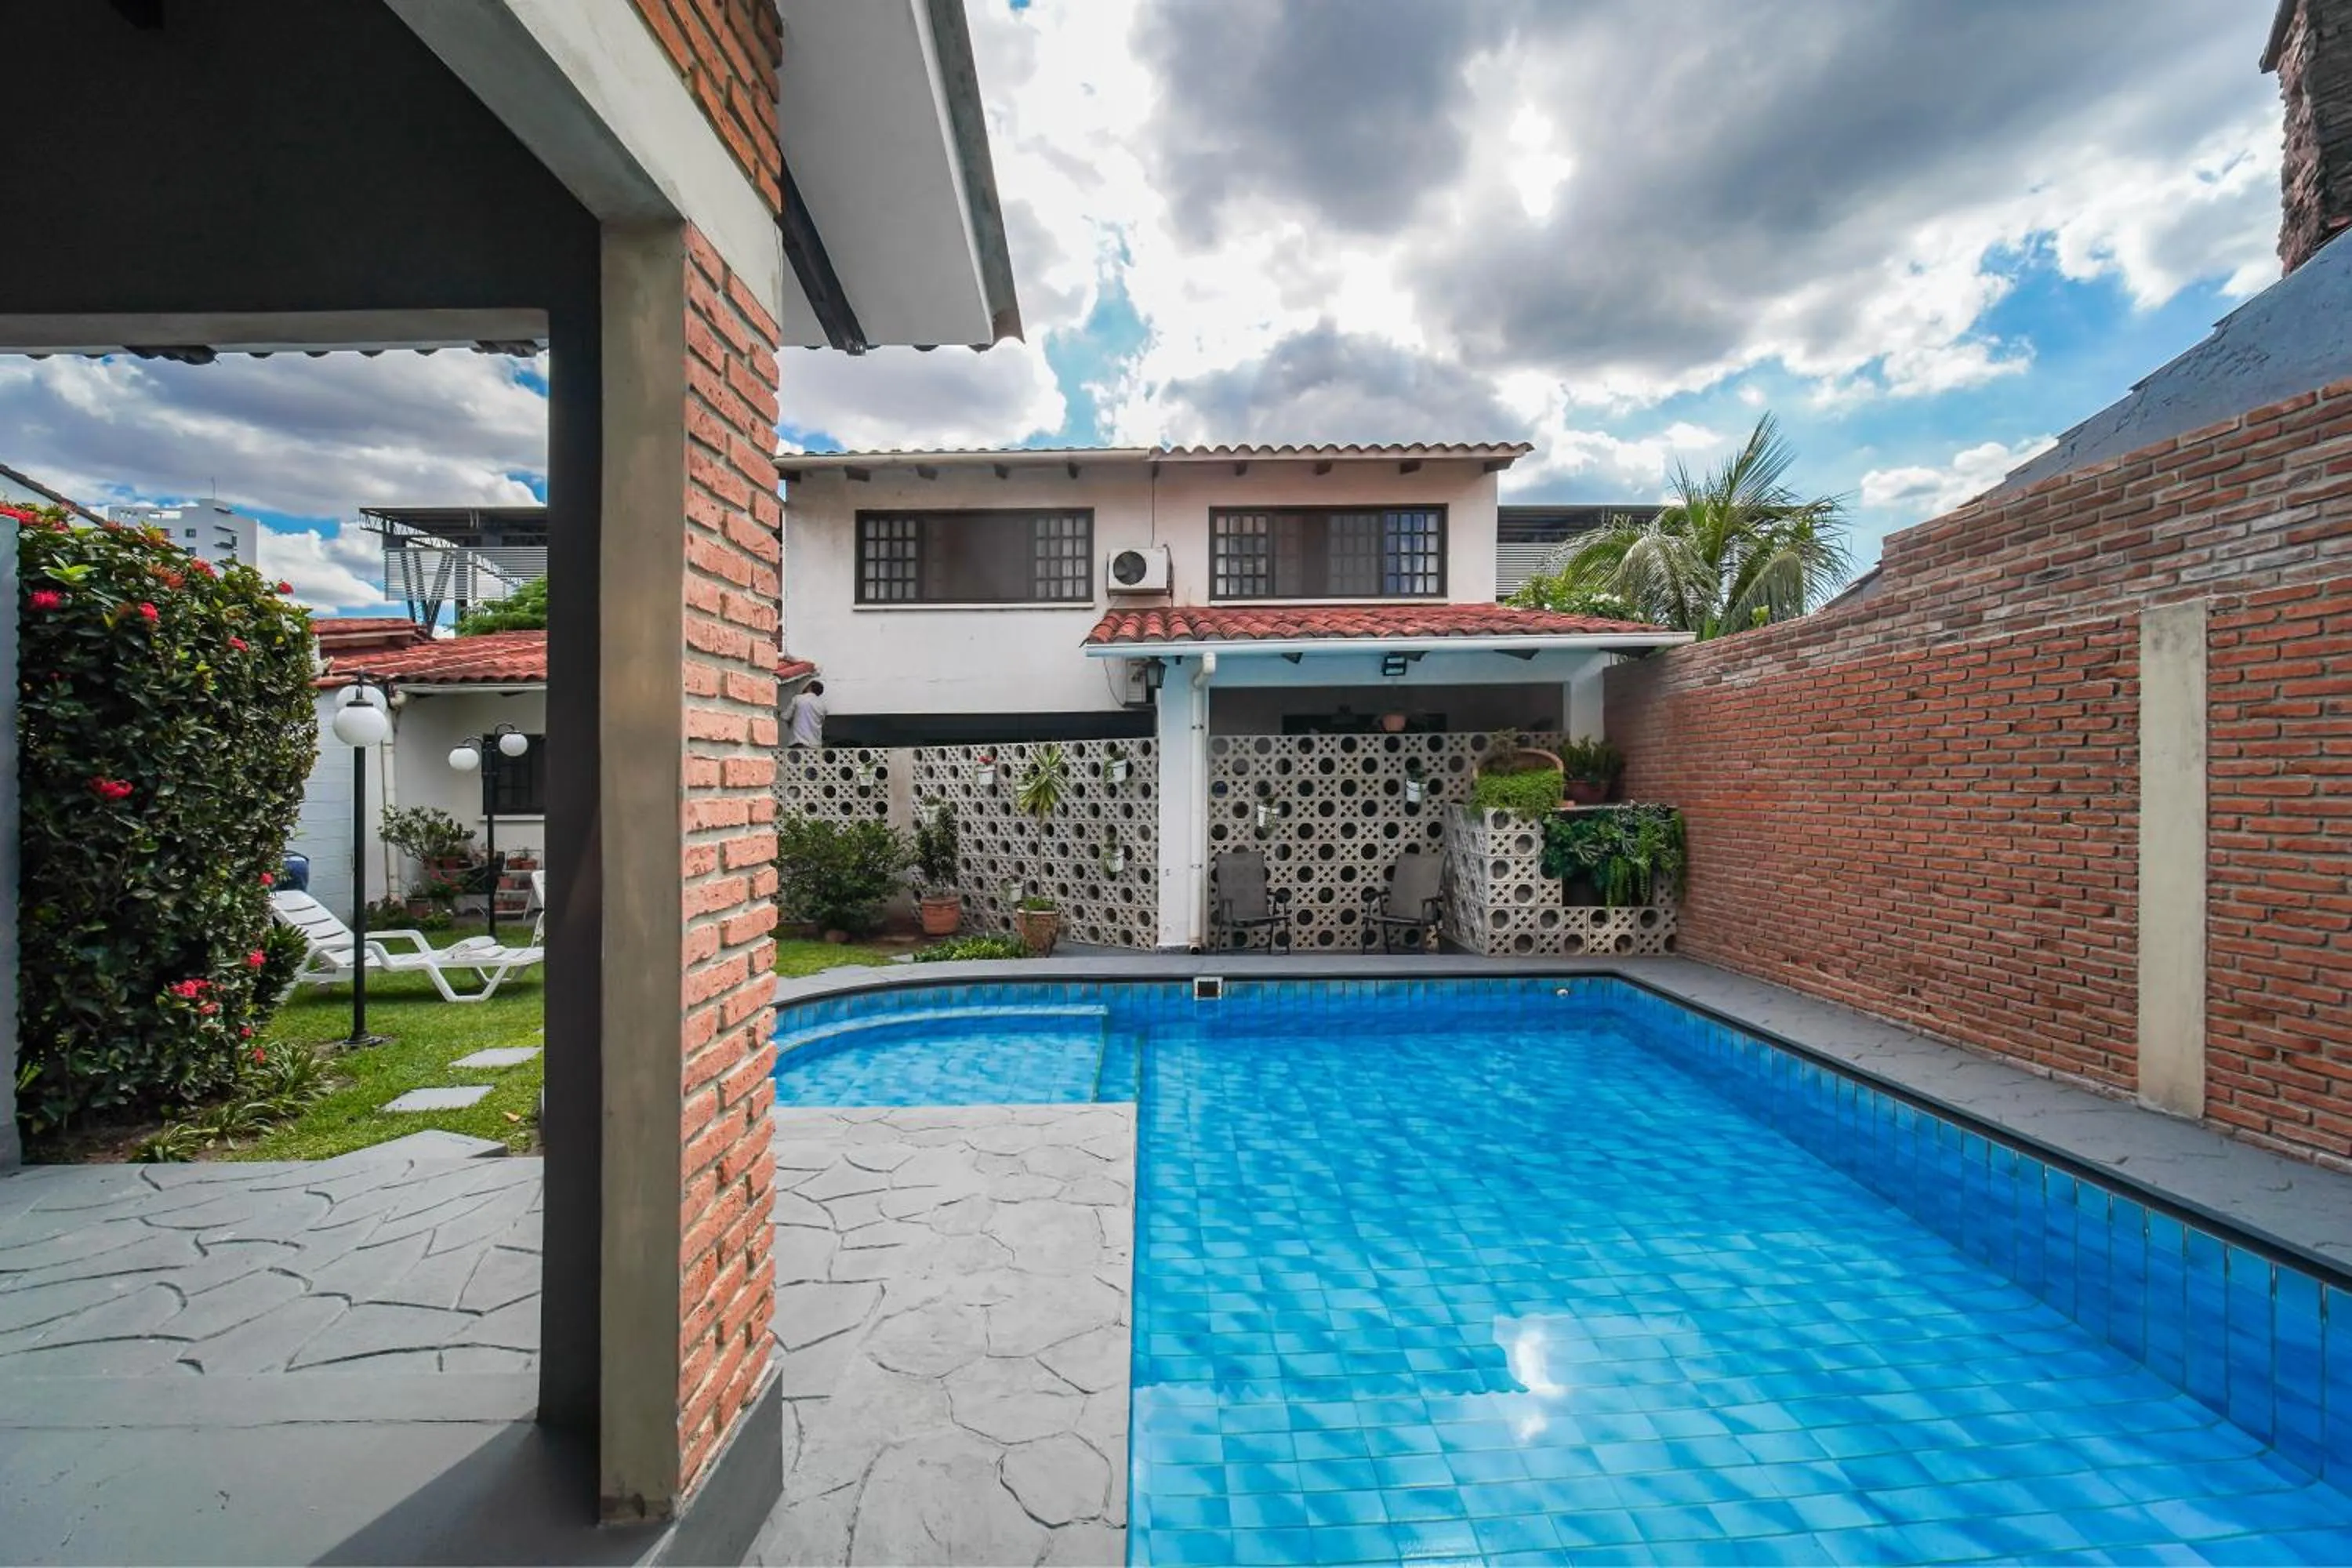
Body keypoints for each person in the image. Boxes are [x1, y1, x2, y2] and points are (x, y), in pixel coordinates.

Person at [787, 679, 827, 747]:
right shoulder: (822, 705)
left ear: (810, 687)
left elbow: (786, 716)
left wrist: (778, 713)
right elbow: (822, 723)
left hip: (799, 743)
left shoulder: (798, 698)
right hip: (815, 745)